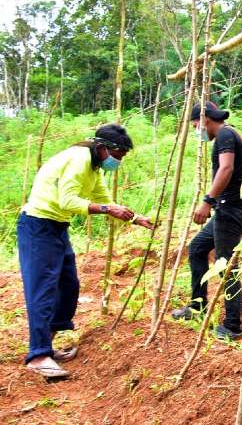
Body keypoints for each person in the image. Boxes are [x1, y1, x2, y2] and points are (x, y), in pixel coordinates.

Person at [18, 123, 154, 378]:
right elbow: (66, 200)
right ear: (103, 147)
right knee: (42, 290)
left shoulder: (94, 167)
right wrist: (107, 210)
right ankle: (38, 356)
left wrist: (135, 218)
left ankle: (47, 344)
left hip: (57, 226)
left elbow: (105, 201)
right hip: (38, 225)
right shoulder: (80, 158)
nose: (118, 161)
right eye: (118, 156)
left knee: (68, 286)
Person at [172, 102, 242, 342]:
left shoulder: (225, 134)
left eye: (196, 125)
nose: (197, 130)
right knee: (197, 248)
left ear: (205, 119)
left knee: (226, 265)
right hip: (226, 209)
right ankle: (197, 307)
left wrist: (207, 201)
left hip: (230, 210)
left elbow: (226, 169)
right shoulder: (230, 134)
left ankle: (232, 325)